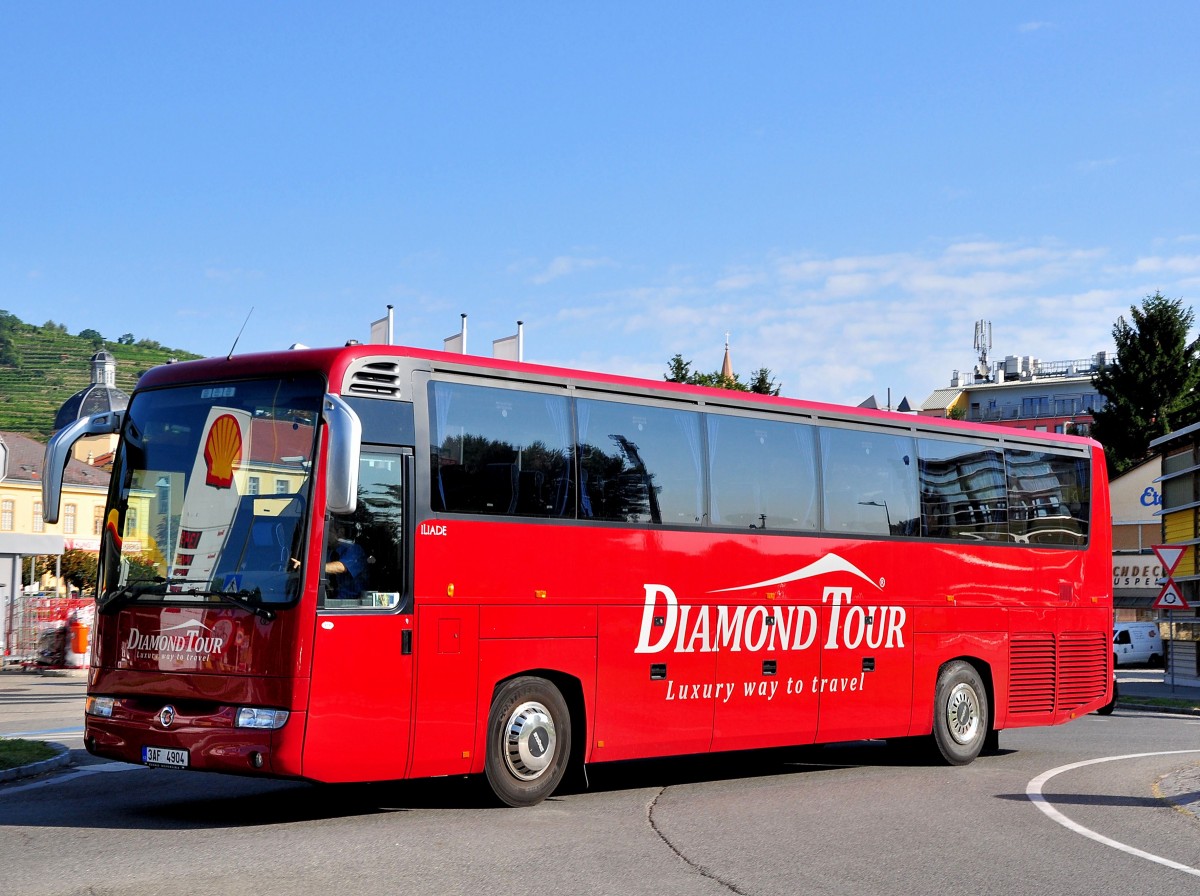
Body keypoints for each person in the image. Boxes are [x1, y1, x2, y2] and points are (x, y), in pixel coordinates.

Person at [325, 517, 367, 600]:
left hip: (351, 603)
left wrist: (310, 569)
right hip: (331, 599)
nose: (324, 534)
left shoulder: (354, 549)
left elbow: (341, 567)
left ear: (341, 532)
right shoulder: (328, 552)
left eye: (328, 531)